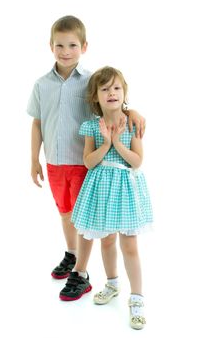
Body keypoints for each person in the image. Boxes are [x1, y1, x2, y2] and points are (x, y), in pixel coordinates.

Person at [27, 16, 146, 283]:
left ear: (84, 47)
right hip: (55, 161)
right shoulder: (41, 84)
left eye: (72, 45)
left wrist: (133, 110)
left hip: (86, 162)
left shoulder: (92, 80)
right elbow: (37, 123)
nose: (66, 51)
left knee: (85, 217)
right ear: (50, 46)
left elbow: (113, 101)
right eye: (60, 45)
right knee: (65, 211)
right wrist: (34, 158)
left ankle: (81, 270)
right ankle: (71, 254)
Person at [60, 66, 153, 330]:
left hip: (125, 188)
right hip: (100, 188)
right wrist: (104, 143)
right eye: (104, 89)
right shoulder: (92, 125)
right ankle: (112, 283)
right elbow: (89, 162)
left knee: (130, 245)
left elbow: (136, 162)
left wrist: (117, 142)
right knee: (107, 241)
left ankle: (136, 299)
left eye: (116, 88)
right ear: (96, 97)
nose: (111, 93)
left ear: (124, 92)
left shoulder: (132, 123)